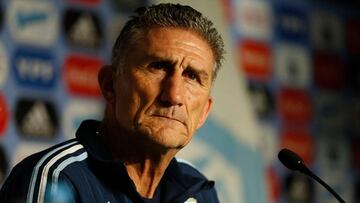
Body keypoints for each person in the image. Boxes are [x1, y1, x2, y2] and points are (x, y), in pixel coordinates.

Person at [0, 3, 225, 203]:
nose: (174, 96)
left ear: (204, 112)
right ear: (110, 85)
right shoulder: (58, 180)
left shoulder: (200, 191)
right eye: (158, 67)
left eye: (192, 76)